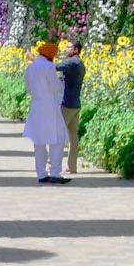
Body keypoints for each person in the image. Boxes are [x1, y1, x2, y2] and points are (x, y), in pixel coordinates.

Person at [23, 41, 70, 185]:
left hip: (36, 106)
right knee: (57, 139)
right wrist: (61, 82)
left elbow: (28, 89)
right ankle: (55, 173)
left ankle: (41, 174)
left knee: (39, 141)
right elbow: (54, 87)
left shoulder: (30, 67)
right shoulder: (49, 67)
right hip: (49, 106)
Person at [55, 40, 85, 175]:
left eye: (69, 47)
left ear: (76, 49)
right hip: (75, 104)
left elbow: (56, 67)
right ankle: (72, 167)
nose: (66, 49)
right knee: (73, 138)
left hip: (67, 104)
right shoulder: (80, 63)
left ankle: (53, 164)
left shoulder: (72, 62)